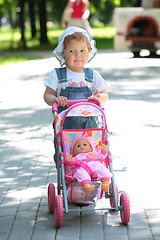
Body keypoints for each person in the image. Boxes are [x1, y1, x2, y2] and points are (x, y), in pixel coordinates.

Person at [43, 26, 108, 164]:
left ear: (89, 52)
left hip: (90, 127)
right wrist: (55, 99)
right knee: (66, 156)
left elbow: (105, 95)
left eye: (82, 51)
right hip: (66, 128)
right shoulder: (57, 75)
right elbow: (47, 95)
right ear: (63, 53)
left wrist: (98, 97)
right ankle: (68, 179)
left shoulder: (93, 75)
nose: (78, 55)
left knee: (93, 154)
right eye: (72, 51)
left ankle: (92, 175)